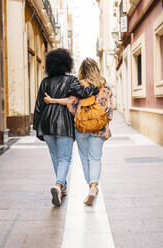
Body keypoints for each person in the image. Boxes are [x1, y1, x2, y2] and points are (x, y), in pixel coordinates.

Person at [44, 58, 113, 206]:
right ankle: (93, 186)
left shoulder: (79, 86)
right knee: (95, 158)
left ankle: (90, 185)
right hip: (99, 130)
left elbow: (71, 105)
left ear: (82, 70)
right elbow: (109, 110)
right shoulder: (105, 87)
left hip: (81, 129)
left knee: (84, 158)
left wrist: (55, 102)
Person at [33, 49, 98, 207]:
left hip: (47, 125)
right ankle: (59, 185)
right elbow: (82, 92)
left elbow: (38, 107)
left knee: (56, 157)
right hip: (64, 126)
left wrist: (38, 129)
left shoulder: (45, 82)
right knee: (65, 158)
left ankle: (61, 187)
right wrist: (94, 88)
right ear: (66, 63)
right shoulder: (71, 80)